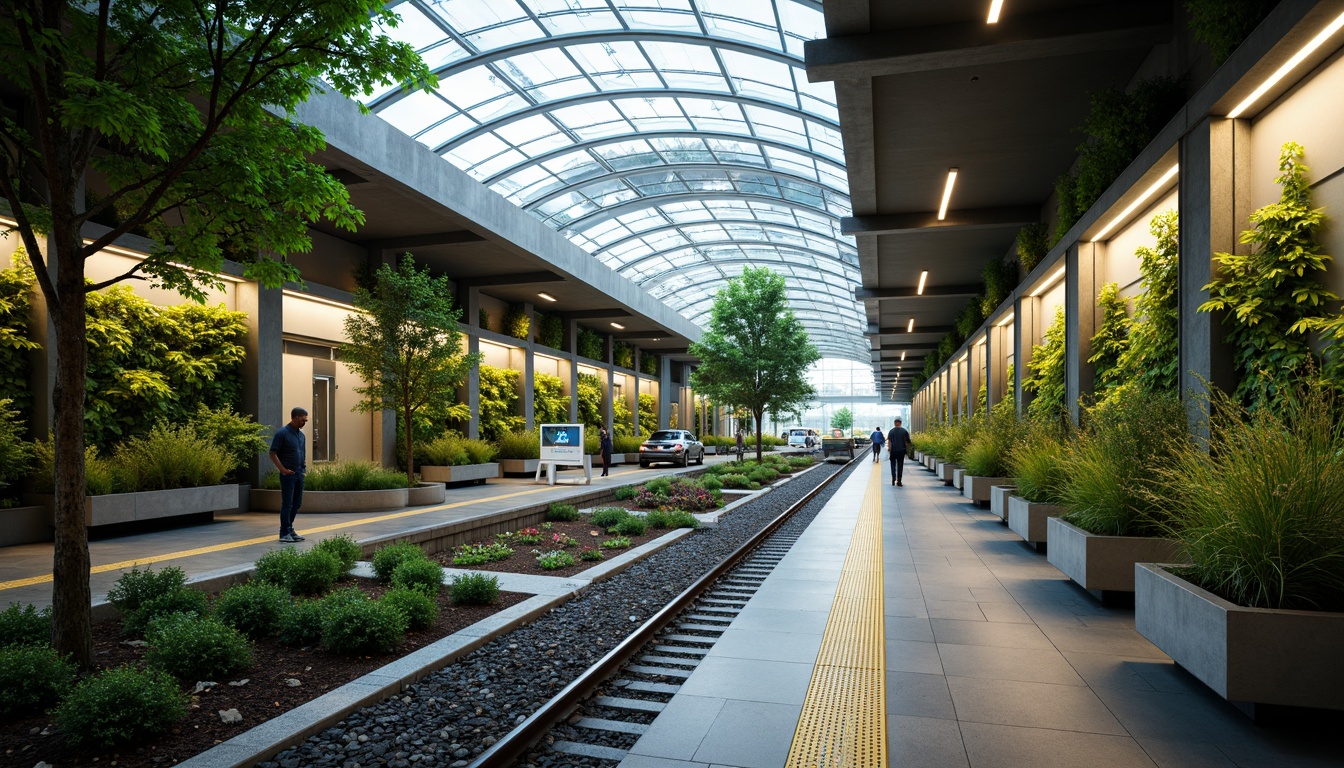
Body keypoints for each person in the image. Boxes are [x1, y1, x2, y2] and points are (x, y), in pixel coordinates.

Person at [269, 407, 309, 542]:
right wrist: (283, 470)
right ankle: (284, 532)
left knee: (297, 503)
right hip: (288, 474)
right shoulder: (282, 433)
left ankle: (290, 528)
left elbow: (302, 453)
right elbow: (272, 453)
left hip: (299, 473)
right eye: (303, 420)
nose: (305, 422)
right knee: (287, 504)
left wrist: (303, 468)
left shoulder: (301, 435)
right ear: (296, 417)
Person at [887, 417, 912, 487]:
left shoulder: (891, 431)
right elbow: (908, 442)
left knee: (892, 464)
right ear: (900, 423)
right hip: (901, 451)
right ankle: (899, 480)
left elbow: (889, 441)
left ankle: (893, 478)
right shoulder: (904, 431)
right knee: (900, 465)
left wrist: (889, 449)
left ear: (894, 423)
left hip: (893, 451)